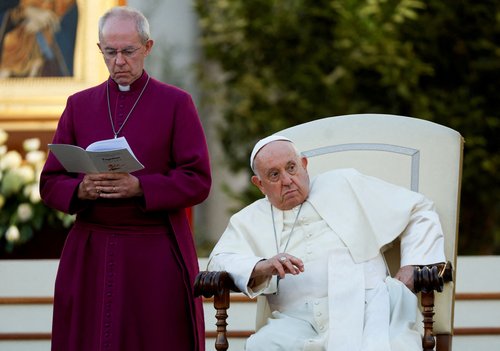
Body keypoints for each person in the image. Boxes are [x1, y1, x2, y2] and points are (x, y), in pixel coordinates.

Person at [40, 6, 211, 351]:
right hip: (90, 250)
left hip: (153, 251)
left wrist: (141, 186)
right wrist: (81, 189)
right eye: (110, 52)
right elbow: (50, 182)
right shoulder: (78, 105)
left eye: (128, 51)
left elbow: (197, 178)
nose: (119, 61)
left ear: (148, 48)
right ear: (100, 49)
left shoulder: (177, 103)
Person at [208, 135, 446, 351]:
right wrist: (262, 266)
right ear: (259, 184)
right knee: (261, 345)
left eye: (291, 168)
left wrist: (411, 267)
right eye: (274, 175)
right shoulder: (248, 219)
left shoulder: (344, 183)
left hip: (369, 306)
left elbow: (420, 209)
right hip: (297, 321)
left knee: (394, 345)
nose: (288, 180)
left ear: (304, 164)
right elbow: (219, 261)